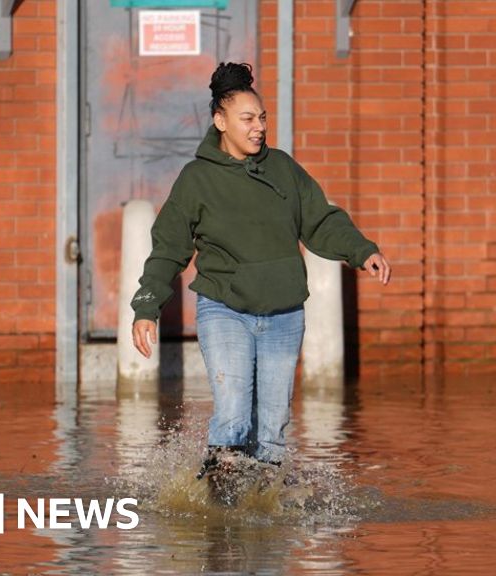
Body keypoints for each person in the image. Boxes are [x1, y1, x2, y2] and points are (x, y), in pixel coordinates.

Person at [130, 62, 390, 479]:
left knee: (271, 431)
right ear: (220, 121)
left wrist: (362, 250)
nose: (258, 127)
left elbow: (320, 220)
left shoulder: (283, 169)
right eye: (247, 119)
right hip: (225, 309)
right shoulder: (196, 179)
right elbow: (168, 249)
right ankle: (219, 515)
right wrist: (147, 306)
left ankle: (261, 518)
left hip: (284, 313)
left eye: (263, 118)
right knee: (233, 414)